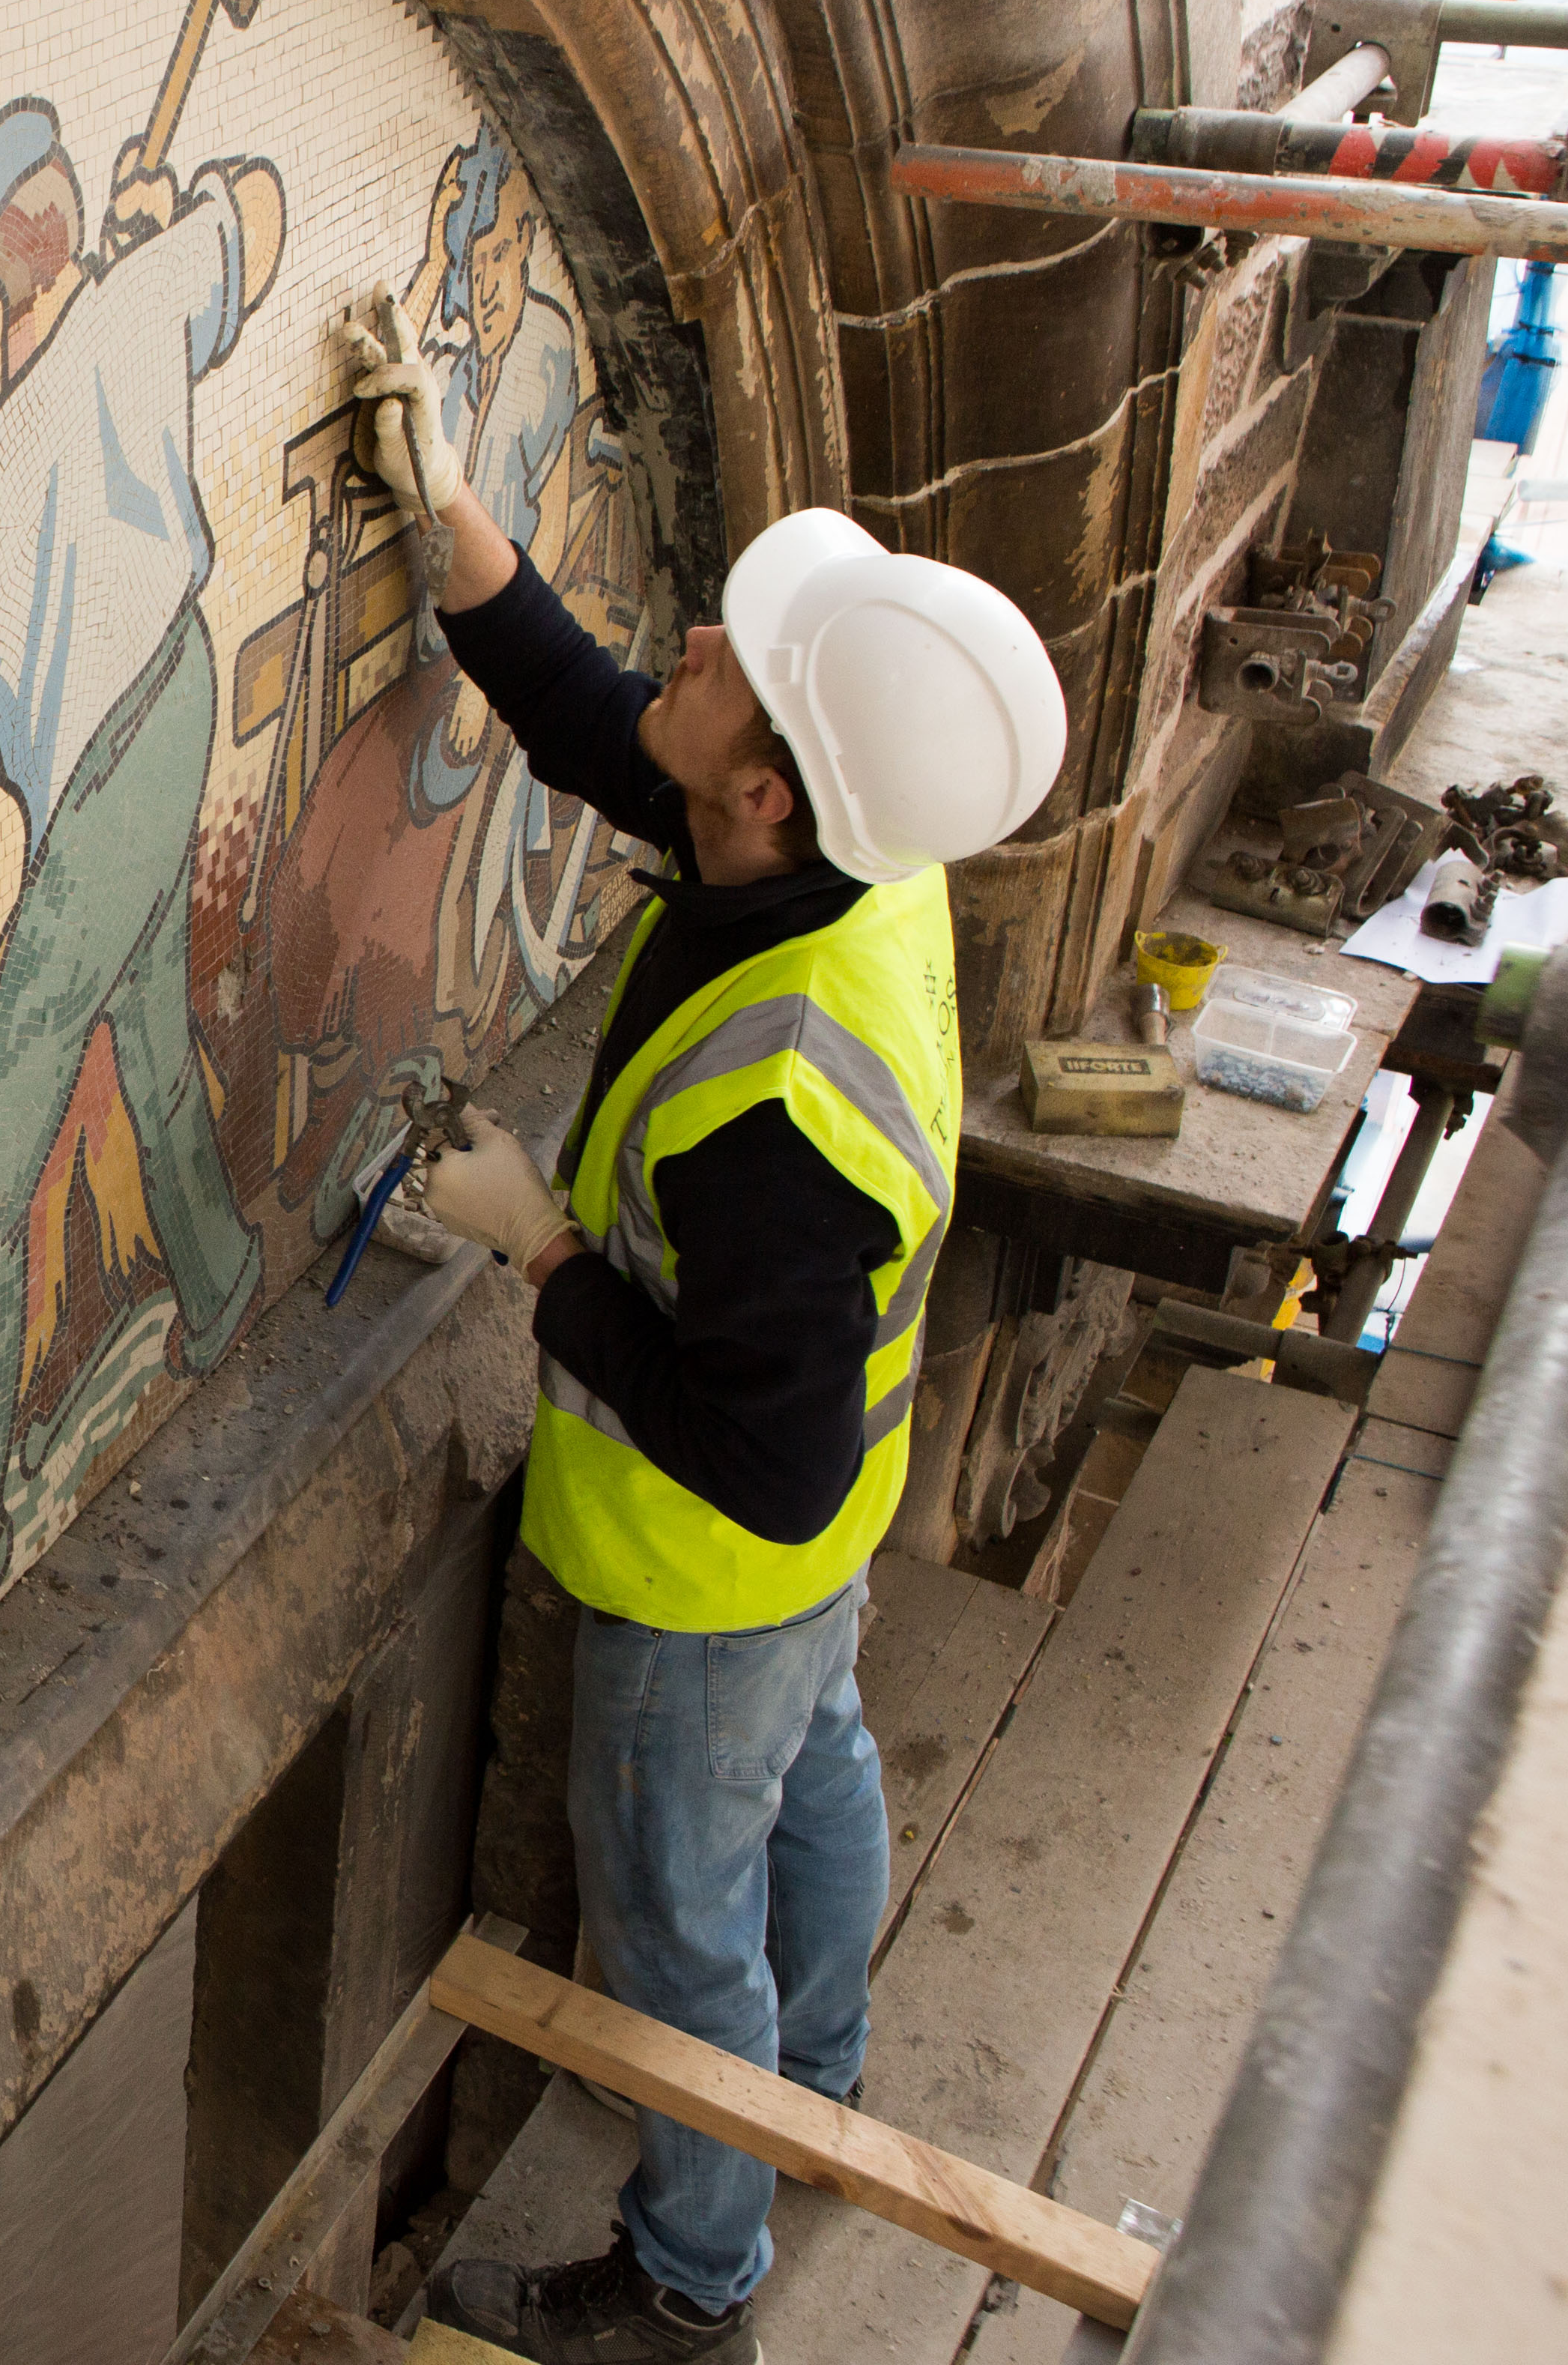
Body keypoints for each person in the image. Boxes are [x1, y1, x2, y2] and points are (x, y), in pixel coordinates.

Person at [352, 331, 1068, 2365]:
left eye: (729, 659)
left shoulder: (775, 1128)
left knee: (674, 1918)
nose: (686, 633)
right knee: (816, 1770)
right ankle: (809, 2092)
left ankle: (689, 2286)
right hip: (820, 1545)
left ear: (762, 786)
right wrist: (465, 545)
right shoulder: (848, 860)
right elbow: (618, 732)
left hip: (706, 1564)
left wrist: (544, 1249)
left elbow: (754, 1455)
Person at [0, 100, 278, 1655]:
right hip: (176, 700)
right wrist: (169, 221)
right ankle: (225, 1273)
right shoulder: (140, 303)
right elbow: (256, 205)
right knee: (153, 1037)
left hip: (90, 786)